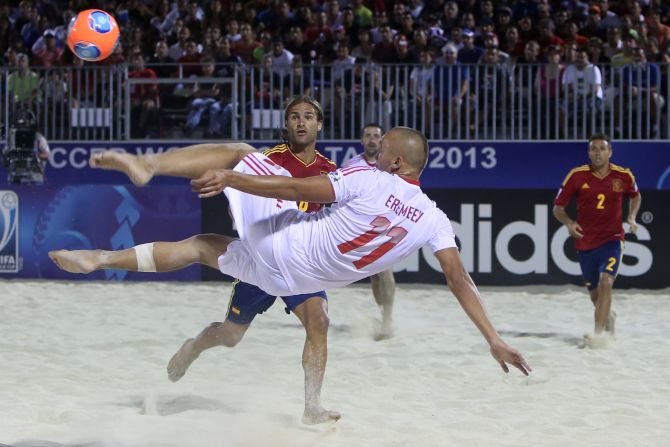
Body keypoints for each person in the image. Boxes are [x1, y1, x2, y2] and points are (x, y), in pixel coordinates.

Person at [49, 127, 531, 408]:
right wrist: (493, 337)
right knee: (203, 246)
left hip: (284, 249)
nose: (373, 150)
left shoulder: (366, 175)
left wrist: (235, 177)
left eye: (380, 147)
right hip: (301, 278)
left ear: (397, 161)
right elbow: (459, 280)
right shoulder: (434, 219)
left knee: (240, 152)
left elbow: (293, 191)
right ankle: (103, 257)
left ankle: (148, 166)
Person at [84, 96, 339, 426]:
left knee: (319, 322)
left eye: (308, 117)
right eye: (294, 116)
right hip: (258, 261)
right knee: (230, 336)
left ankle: (312, 406)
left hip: (300, 265)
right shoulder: (264, 160)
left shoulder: (331, 172)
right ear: (285, 125)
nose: (301, 122)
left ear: (320, 125)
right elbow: (228, 164)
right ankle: (194, 347)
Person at [552, 133, 641, 339]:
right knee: (595, 296)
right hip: (585, 242)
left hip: (612, 239)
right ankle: (609, 317)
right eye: (594, 148)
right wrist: (569, 222)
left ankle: (598, 336)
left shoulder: (623, 175)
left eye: (602, 148)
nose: (598, 152)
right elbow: (558, 207)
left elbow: (636, 196)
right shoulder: (577, 175)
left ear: (610, 152)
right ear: (588, 152)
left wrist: (632, 216)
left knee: (606, 283)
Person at [342, 123, 396, 339]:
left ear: (382, 140)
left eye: (376, 136)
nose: (372, 139)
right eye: (368, 136)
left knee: (385, 270)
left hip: (385, 225)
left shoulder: (391, 164)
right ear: (362, 140)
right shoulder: (352, 165)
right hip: (362, 226)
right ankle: (384, 314)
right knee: (374, 277)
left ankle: (387, 320)